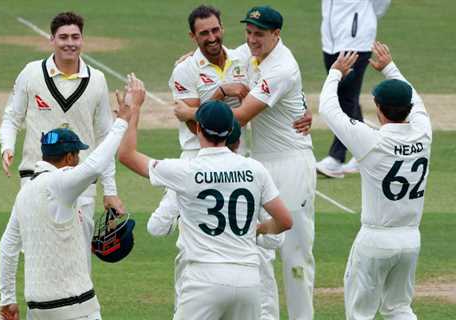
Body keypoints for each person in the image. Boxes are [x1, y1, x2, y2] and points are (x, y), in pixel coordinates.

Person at [175, 6, 317, 319]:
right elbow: (219, 52)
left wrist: (190, 114)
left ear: (276, 35)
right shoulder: (250, 53)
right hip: (259, 164)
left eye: (260, 34)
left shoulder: (282, 67)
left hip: (292, 164)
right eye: (249, 32)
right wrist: (192, 58)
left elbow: (237, 118)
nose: (252, 40)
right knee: (256, 250)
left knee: (295, 257)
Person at [119, 74, 293, 320]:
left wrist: (134, 108)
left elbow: (127, 155)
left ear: (198, 128)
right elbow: (285, 221)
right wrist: (260, 229)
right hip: (248, 279)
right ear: (231, 131)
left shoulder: (186, 170)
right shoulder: (255, 169)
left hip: (204, 278)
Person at [0, 11, 124, 269]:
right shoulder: (32, 73)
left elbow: (105, 138)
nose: (70, 43)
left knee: (79, 260)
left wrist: (110, 190)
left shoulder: (97, 80)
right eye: (63, 37)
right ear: (51, 40)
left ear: (83, 40)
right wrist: (7, 146)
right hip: (36, 177)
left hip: (82, 181)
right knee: (38, 256)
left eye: (75, 37)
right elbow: (12, 117)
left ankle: (86, 310)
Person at [319, 42, 431, 319]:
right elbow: (415, 98)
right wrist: (390, 68)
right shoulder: (424, 132)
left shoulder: (372, 141)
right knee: (399, 308)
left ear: (379, 109)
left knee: (360, 314)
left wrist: (335, 73)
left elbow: (329, 110)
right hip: (411, 239)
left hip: (376, 239)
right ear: (407, 109)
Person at [0, 92, 133, 320]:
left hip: (37, 309)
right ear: (70, 158)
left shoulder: (24, 194)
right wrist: (122, 122)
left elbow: (7, 247)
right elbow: (95, 165)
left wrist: (8, 299)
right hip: (75, 309)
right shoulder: (60, 183)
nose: (79, 159)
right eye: (77, 154)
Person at [146, 118, 285, 319]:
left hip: (199, 274)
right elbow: (276, 239)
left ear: (201, 133)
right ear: (237, 142)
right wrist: (254, 231)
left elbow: (156, 227)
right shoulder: (256, 173)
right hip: (249, 274)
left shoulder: (187, 173)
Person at [317, 0, 392, 178]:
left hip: (356, 42)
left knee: (346, 98)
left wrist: (364, 19)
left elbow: (381, 3)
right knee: (346, 96)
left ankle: (336, 158)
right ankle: (368, 150)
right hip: (330, 41)